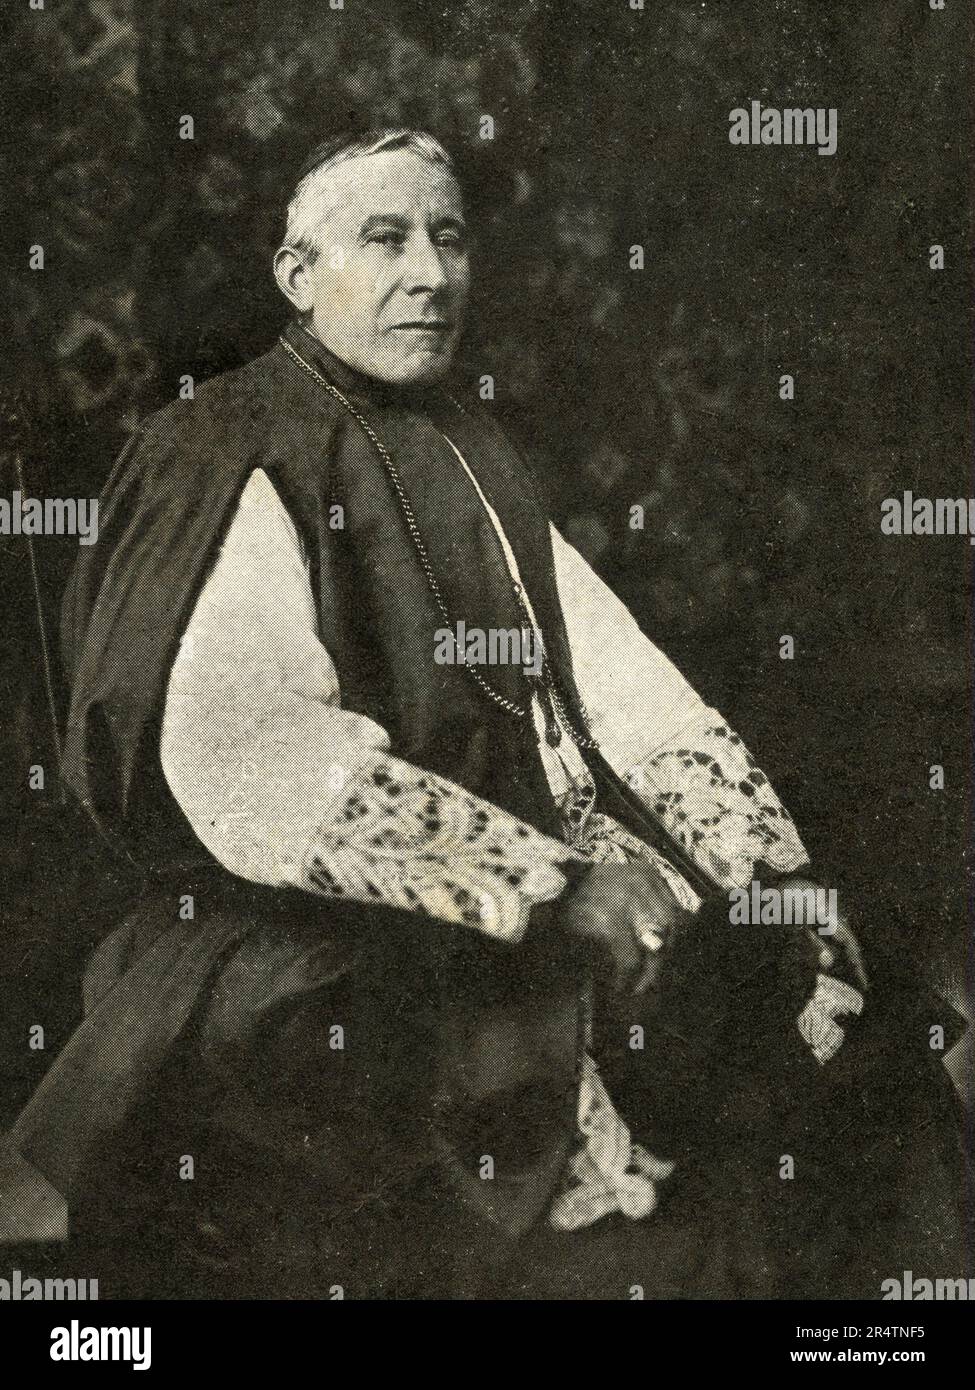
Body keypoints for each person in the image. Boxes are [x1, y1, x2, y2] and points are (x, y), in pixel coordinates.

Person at [10, 129, 967, 1300]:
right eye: (386, 238)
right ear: (296, 275)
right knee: (648, 1224)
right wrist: (549, 884)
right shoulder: (228, 443)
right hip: (319, 935)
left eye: (449, 238)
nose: (431, 272)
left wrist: (767, 871)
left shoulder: (464, 441)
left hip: (550, 902)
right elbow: (243, 753)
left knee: (854, 1069)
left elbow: (635, 697)